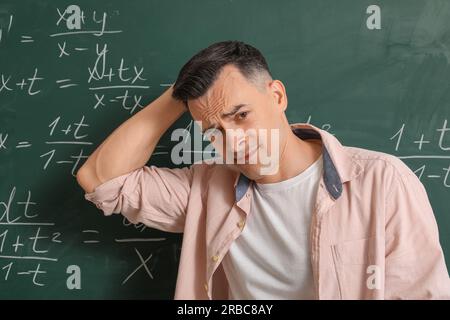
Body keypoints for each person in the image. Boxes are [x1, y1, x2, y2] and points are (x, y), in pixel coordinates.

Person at [76, 40, 450, 299]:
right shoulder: (205, 190)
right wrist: (180, 94)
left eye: (240, 115)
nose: (233, 141)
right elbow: (100, 179)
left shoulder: (382, 182)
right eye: (214, 131)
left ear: (277, 96)